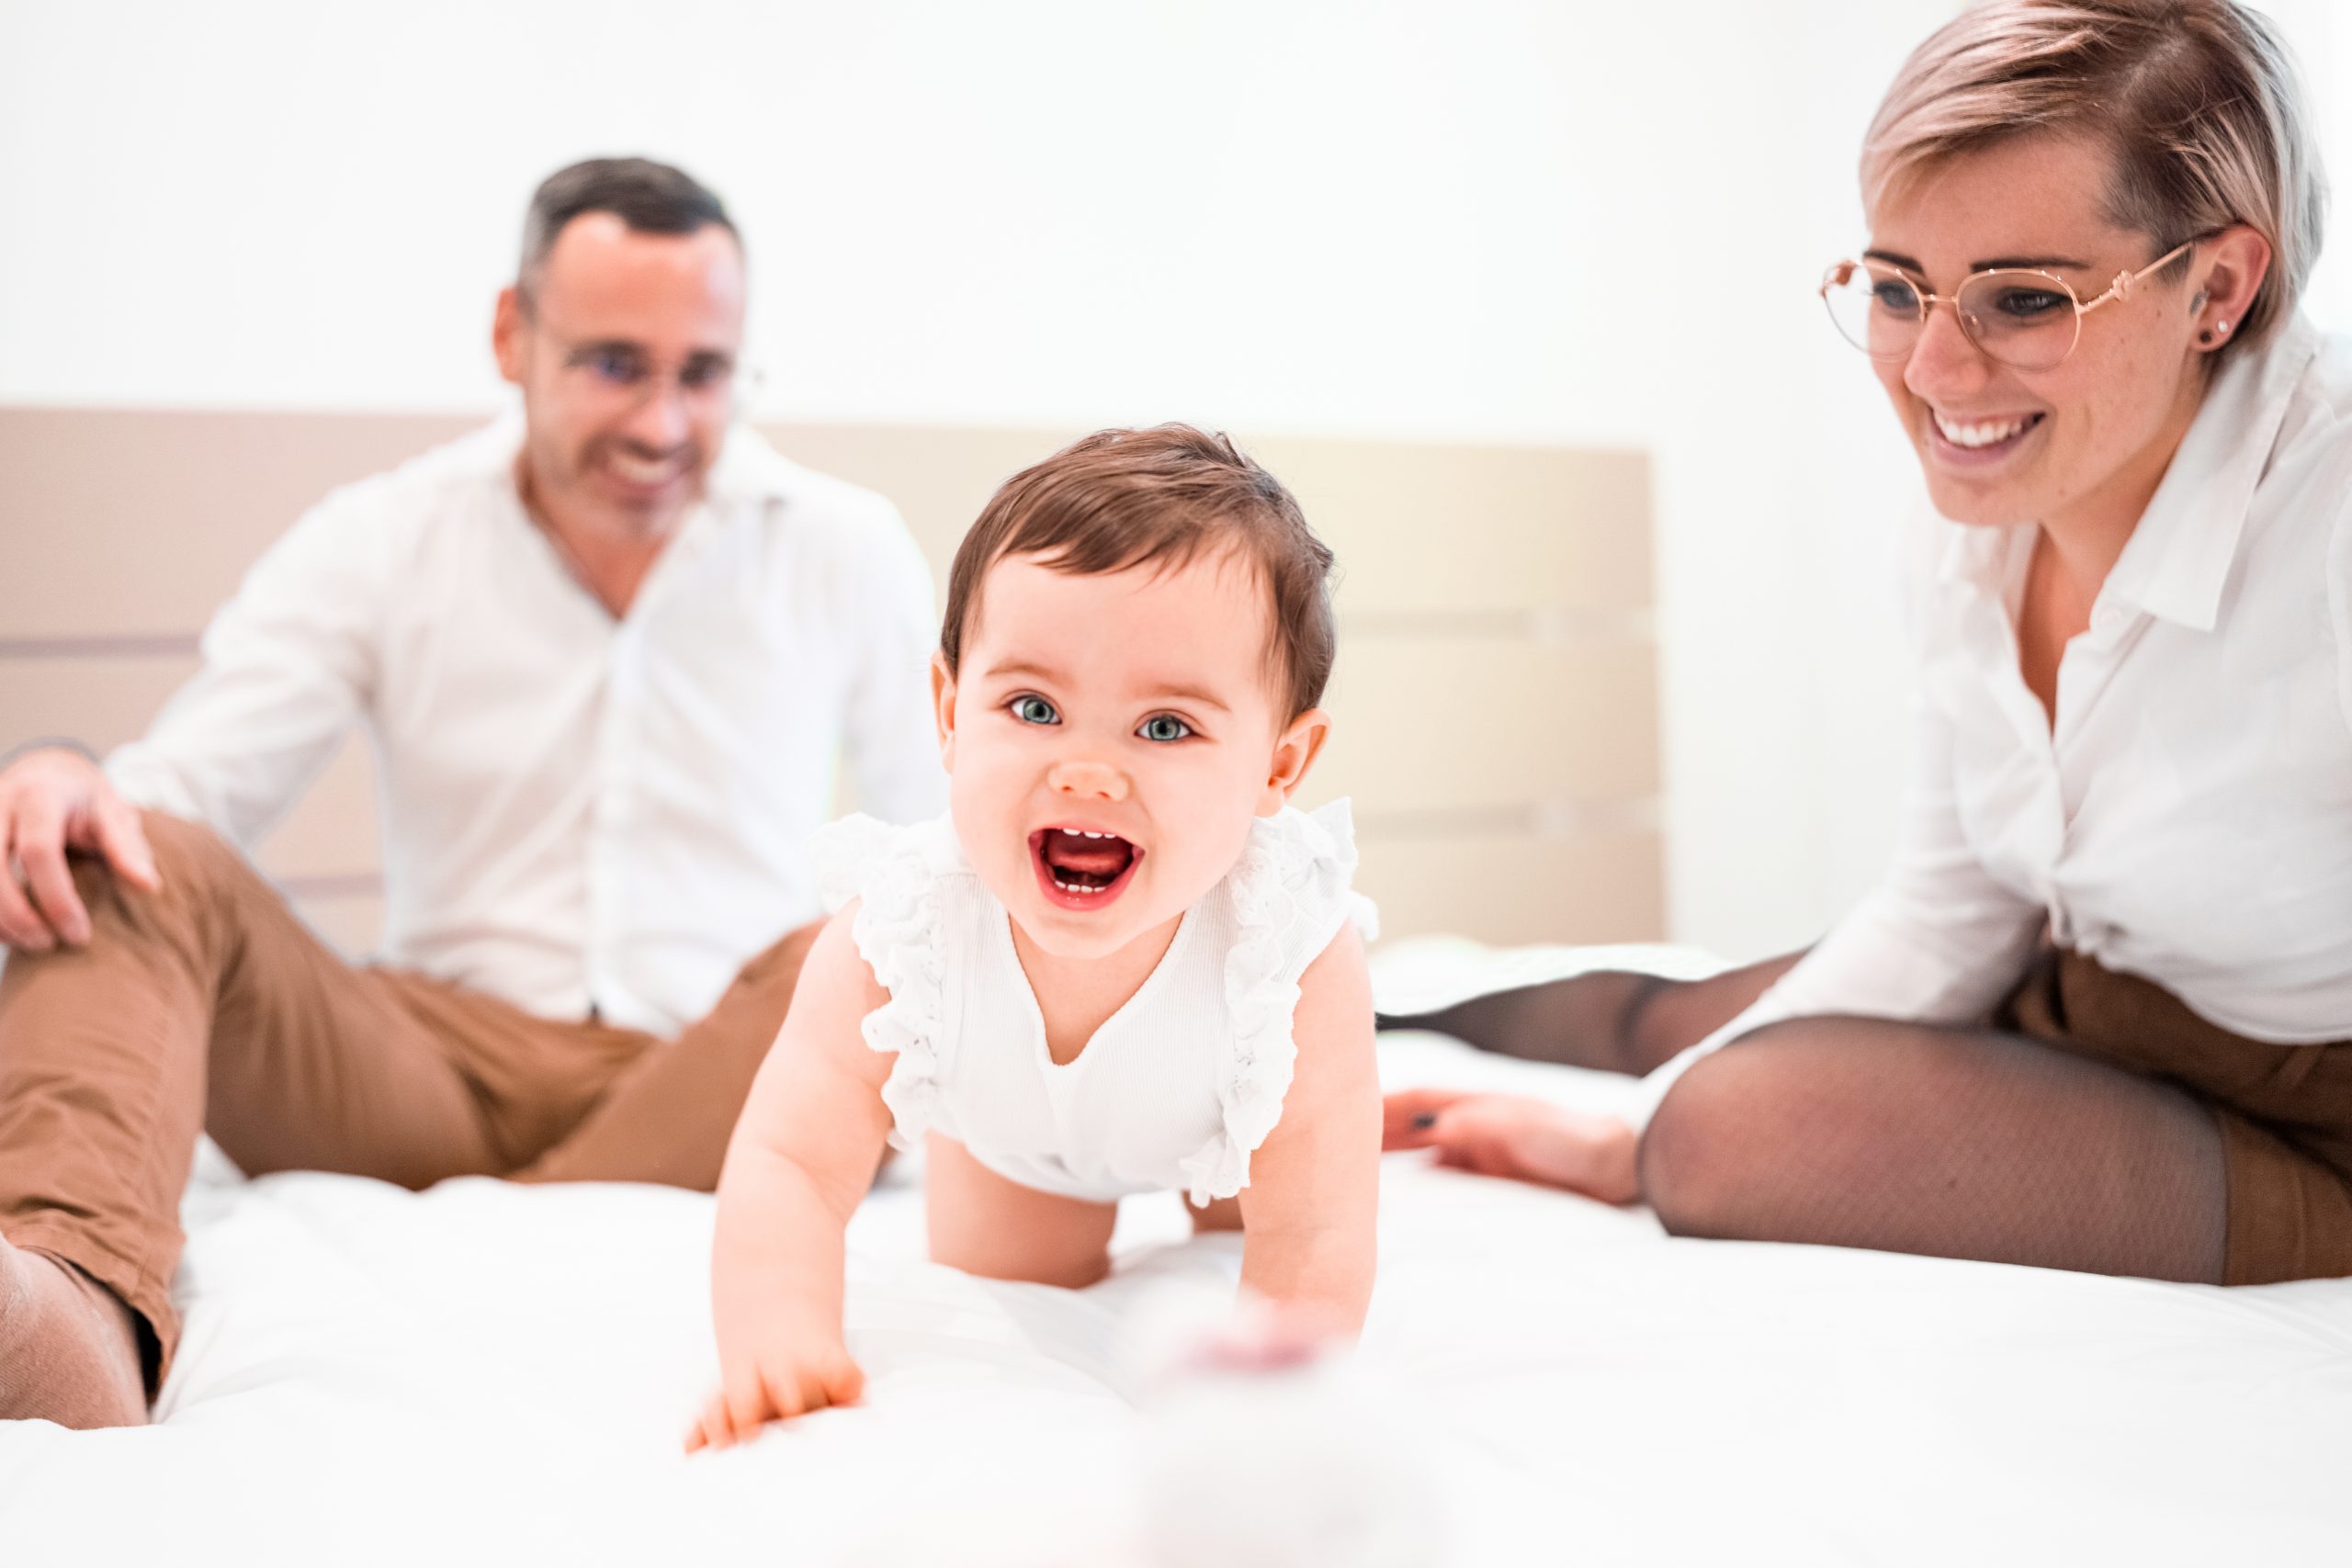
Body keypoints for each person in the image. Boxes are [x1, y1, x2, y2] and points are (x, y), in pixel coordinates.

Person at [1385, 0, 2352, 1287]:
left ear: (2217, 290)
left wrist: (1637, 1140)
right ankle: (1360, 1013)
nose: (1934, 372)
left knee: (1717, 1129)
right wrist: (1630, 1111)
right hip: (2088, 995)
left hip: (2313, 1111)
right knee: (1666, 1027)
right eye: (1897, 289)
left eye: (2023, 299)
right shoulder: (1978, 518)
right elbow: (1952, 908)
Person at [0, 157, 944, 1428]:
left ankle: (509, 1216)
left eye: (704, 374)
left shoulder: (843, 546)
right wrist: (66, 780)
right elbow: (184, 789)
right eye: (615, 364)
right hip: (428, 1069)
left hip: (724, 1067)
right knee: (126, 853)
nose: (662, 423)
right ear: (513, 335)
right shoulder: (383, 536)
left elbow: (943, 855)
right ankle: (69, 1309)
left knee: (886, 930)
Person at [687, 426, 1380, 1446]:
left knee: (1273, 1205)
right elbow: (791, 1160)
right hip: (1012, 1139)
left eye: (1165, 726)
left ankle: (1243, 1195)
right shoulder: (902, 931)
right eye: (1033, 706)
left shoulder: (1286, 949)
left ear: (1278, 766)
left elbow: (1316, 1230)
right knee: (1013, 1284)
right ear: (949, 712)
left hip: (1222, 1118)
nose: (1088, 770)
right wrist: (777, 1332)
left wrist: (1270, 1415)